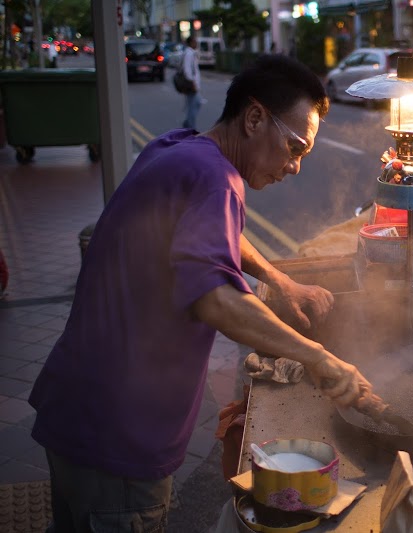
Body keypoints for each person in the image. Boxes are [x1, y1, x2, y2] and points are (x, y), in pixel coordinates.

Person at [29, 54, 377, 532]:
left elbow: (217, 236)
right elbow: (215, 299)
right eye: (294, 147)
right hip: (119, 434)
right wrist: (318, 356)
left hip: (78, 405)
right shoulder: (216, 181)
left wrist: (279, 279)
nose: (295, 166)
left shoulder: (180, 149)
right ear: (254, 118)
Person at [181, 35, 201, 129]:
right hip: (191, 84)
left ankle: (187, 124)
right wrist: (192, 83)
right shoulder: (189, 53)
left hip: (192, 84)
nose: (196, 43)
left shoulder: (191, 53)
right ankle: (190, 127)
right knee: (194, 104)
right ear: (191, 43)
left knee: (194, 104)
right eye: (195, 42)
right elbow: (187, 70)